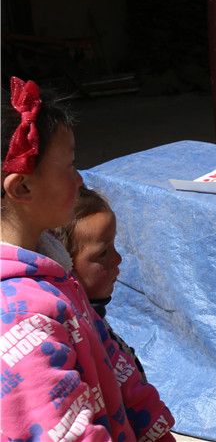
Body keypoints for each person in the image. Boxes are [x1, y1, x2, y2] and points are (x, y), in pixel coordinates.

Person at [1, 77, 175, 441]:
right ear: (22, 187)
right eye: (68, 166)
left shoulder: (52, 266)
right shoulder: (24, 319)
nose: (80, 179)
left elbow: (115, 363)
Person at [53, 186, 149, 380]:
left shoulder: (93, 319)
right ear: (64, 263)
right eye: (103, 253)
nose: (118, 259)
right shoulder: (75, 339)